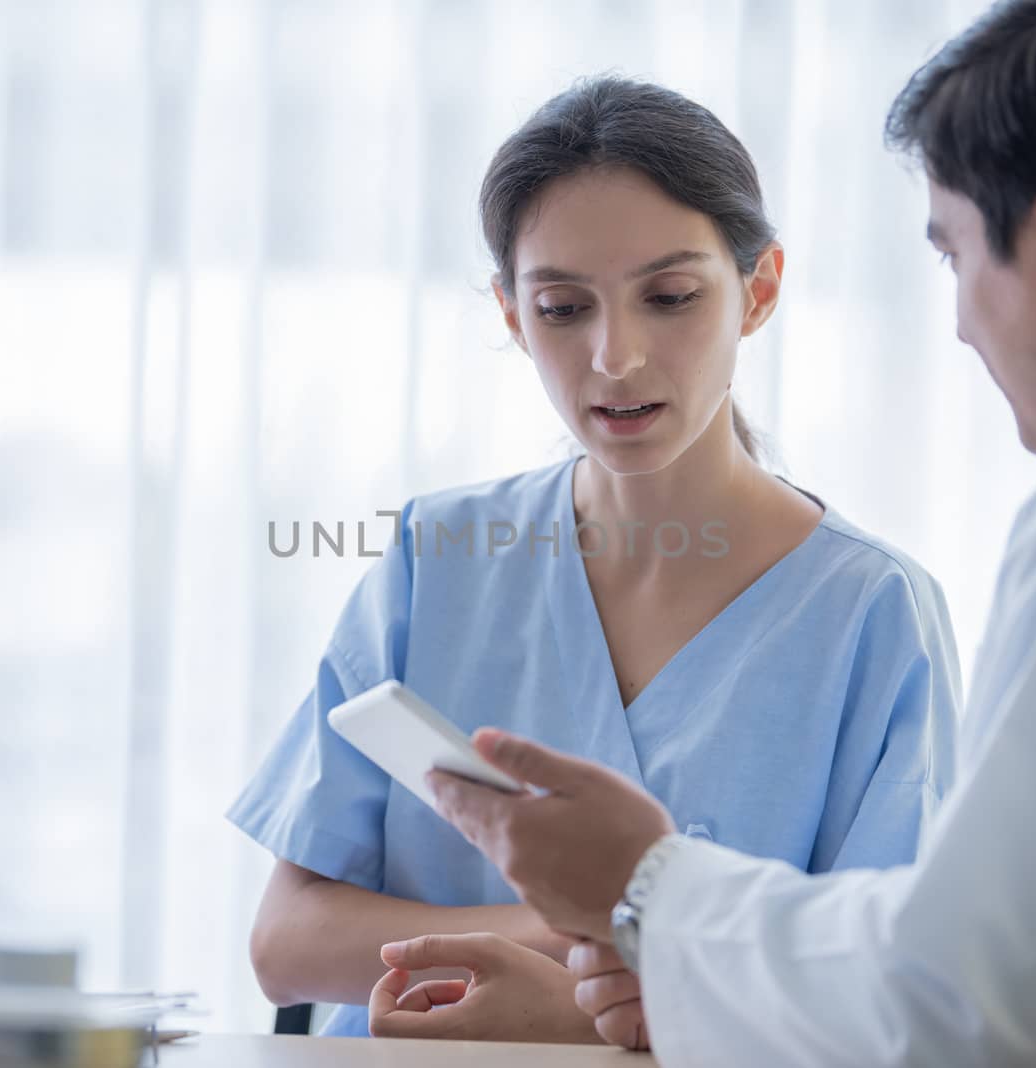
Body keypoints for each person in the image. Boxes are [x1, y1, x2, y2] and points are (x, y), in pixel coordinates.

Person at [399, 1, 1036, 1063]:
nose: (960, 319)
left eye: (953, 251)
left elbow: (971, 1005)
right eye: (561, 308)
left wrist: (649, 890)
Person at [228, 77, 963, 1041]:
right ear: (509, 313)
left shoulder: (872, 614)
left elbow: (887, 1002)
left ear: (760, 289)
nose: (615, 357)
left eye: (669, 297)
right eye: (564, 309)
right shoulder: (435, 561)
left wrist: (587, 1009)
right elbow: (287, 941)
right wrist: (611, 939)